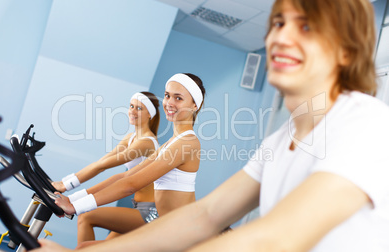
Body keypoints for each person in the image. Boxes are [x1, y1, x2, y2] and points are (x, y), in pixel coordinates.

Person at [30, 0, 389, 251]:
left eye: (306, 26)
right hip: (157, 217)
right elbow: (204, 216)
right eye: (279, 22)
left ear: (346, 51)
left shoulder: (365, 124)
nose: (281, 36)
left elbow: (276, 240)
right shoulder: (283, 140)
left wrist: (77, 201)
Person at [54, 73, 206, 247]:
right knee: (85, 248)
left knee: (85, 246)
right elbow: (124, 177)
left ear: (195, 105)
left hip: (177, 233)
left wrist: (76, 207)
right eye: (167, 95)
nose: (169, 102)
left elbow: (131, 184)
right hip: (164, 227)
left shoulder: (187, 143)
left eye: (178, 98)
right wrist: (74, 199)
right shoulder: (171, 143)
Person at [53, 91, 161, 245]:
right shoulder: (130, 138)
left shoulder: (146, 143)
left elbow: (105, 167)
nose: (132, 111)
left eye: (139, 108)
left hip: (150, 214)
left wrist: (66, 186)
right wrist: (70, 195)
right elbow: (102, 163)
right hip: (139, 209)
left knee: (86, 217)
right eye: (131, 106)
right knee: (95, 247)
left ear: (150, 114)